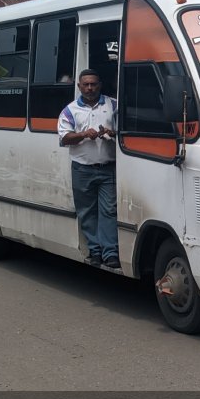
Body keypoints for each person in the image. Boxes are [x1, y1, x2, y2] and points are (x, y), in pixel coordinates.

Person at [57, 69, 120, 268]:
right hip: (82, 169)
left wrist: (112, 132)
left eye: (93, 84)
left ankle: (110, 253)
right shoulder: (70, 110)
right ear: (79, 86)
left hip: (108, 168)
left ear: (99, 84)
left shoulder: (113, 105)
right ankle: (95, 251)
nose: (90, 88)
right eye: (86, 85)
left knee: (109, 211)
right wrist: (84, 135)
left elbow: (126, 131)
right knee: (87, 212)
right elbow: (64, 138)